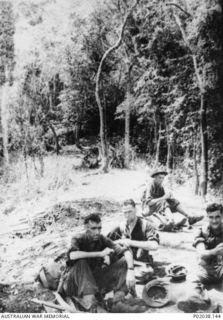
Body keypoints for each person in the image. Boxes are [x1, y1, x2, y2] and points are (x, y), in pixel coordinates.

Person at [58, 213, 145, 313]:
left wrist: (130, 270)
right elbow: (72, 255)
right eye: (93, 228)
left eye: (99, 228)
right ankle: (91, 305)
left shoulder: (102, 239)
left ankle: (117, 301)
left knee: (124, 261)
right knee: (82, 263)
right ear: (86, 227)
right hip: (73, 284)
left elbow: (125, 251)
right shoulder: (78, 238)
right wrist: (100, 254)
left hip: (92, 281)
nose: (97, 232)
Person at [108, 199, 159, 284]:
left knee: (147, 273)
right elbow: (106, 242)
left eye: (129, 212)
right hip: (124, 261)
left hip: (139, 262)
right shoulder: (121, 226)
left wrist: (129, 242)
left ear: (136, 210)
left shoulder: (145, 225)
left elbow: (154, 246)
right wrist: (118, 242)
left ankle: (122, 275)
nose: (127, 215)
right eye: (125, 213)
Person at [193, 203, 223, 286]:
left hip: (221, 267)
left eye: (217, 217)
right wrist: (215, 251)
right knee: (192, 284)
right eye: (211, 217)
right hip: (205, 268)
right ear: (207, 217)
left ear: (222, 216)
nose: (214, 221)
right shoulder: (201, 231)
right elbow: (200, 252)